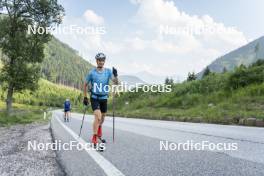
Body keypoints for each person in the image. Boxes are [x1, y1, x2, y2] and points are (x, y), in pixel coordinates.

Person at [83, 52, 118, 145]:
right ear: (96, 61)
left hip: (104, 98)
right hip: (94, 97)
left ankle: (99, 129)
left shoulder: (108, 72)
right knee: (98, 117)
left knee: (102, 119)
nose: (101, 62)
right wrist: (85, 97)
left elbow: (116, 82)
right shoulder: (92, 73)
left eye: (102, 60)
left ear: (104, 61)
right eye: (99, 60)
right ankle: (94, 137)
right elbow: (85, 84)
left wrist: (116, 75)